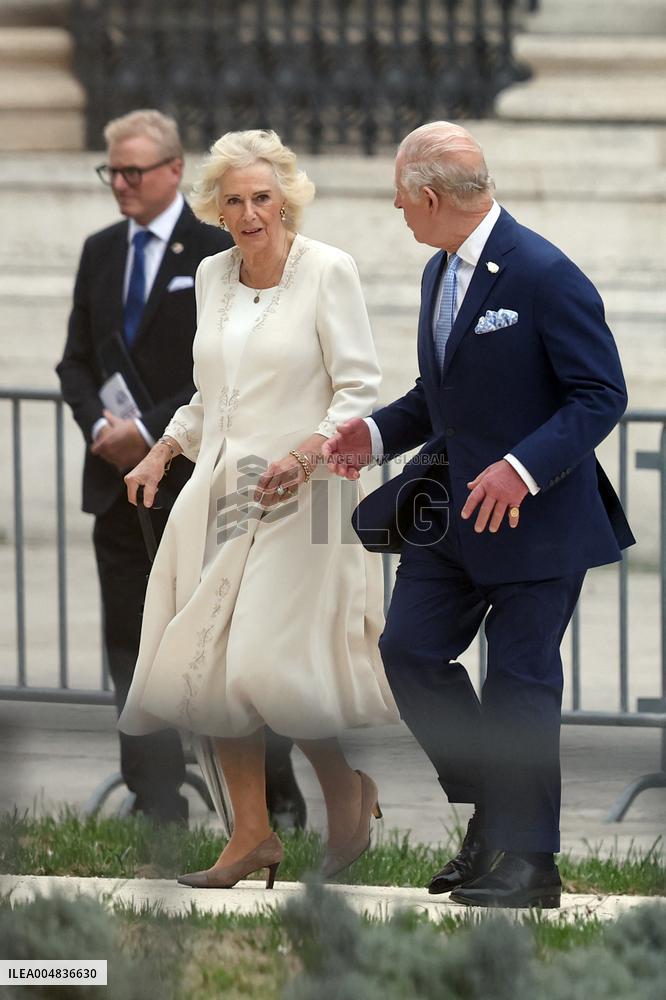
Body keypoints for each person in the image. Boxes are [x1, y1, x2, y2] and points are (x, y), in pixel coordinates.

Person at [324, 121, 634, 908]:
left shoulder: (545, 273)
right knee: (409, 651)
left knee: (519, 685)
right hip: (451, 520)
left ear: (430, 197)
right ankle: (496, 812)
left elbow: (601, 394)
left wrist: (522, 469)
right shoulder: (439, 272)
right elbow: (440, 399)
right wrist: (373, 435)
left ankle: (530, 864)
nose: (397, 210)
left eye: (401, 198)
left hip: (540, 524)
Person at [118, 128, 399, 887]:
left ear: (286, 201)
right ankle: (250, 834)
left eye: (263, 198)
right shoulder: (211, 275)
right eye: (235, 200)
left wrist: (305, 456)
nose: (249, 214)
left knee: (263, 666)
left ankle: (344, 786)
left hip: (308, 492)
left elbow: (358, 390)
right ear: (217, 207)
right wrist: (164, 450)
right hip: (222, 491)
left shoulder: (328, 270)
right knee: (208, 666)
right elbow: (211, 396)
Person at [57, 110, 304, 829]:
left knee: (230, 645)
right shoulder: (101, 251)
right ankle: (157, 798)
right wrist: (102, 429)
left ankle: (275, 798)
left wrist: (150, 432)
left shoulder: (220, 247)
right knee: (131, 644)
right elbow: (75, 361)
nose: (121, 184)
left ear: (173, 170)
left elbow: (234, 370)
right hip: (119, 485)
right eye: (112, 171)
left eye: (134, 171)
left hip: (202, 479)